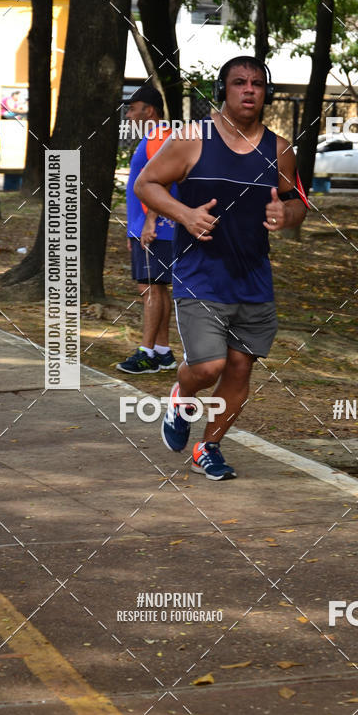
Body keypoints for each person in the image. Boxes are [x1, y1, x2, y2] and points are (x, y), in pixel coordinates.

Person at [134, 56, 308, 480]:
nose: (249, 90)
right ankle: (182, 396)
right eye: (239, 82)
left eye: (257, 84)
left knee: (240, 367)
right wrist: (185, 214)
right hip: (201, 274)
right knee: (208, 366)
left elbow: (298, 203)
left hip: (253, 278)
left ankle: (208, 448)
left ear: (266, 93)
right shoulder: (193, 138)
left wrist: (286, 216)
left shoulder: (280, 149)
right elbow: (146, 184)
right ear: (222, 91)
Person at [116, 85, 178, 374]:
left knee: (150, 287)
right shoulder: (154, 137)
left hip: (158, 226)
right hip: (148, 226)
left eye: (132, 109)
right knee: (156, 286)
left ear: (149, 110)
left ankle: (147, 353)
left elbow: (163, 179)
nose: (128, 115)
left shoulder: (160, 136)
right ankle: (163, 352)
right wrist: (134, 229)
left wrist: (150, 221)